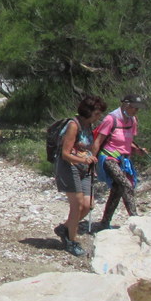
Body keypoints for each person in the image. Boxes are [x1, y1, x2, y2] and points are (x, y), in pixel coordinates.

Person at [53, 94, 107, 256]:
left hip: (85, 168)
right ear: (88, 111)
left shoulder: (88, 125)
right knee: (76, 206)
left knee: (88, 204)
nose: (99, 116)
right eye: (97, 113)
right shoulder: (73, 125)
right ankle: (71, 240)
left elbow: (86, 146)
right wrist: (83, 159)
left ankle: (65, 229)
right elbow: (65, 154)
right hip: (70, 167)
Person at [93, 94, 150, 231]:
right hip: (108, 157)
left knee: (117, 190)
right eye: (134, 108)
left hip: (123, 160)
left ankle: (105, 222)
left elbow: (128, 143)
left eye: (137, 109)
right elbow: (98, 142)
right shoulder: (111, 119)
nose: (136, 111)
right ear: (126, 105)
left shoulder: (132, 121)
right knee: (126, 185)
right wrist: (91, 163)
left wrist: (138, 151)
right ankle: (135, 218)